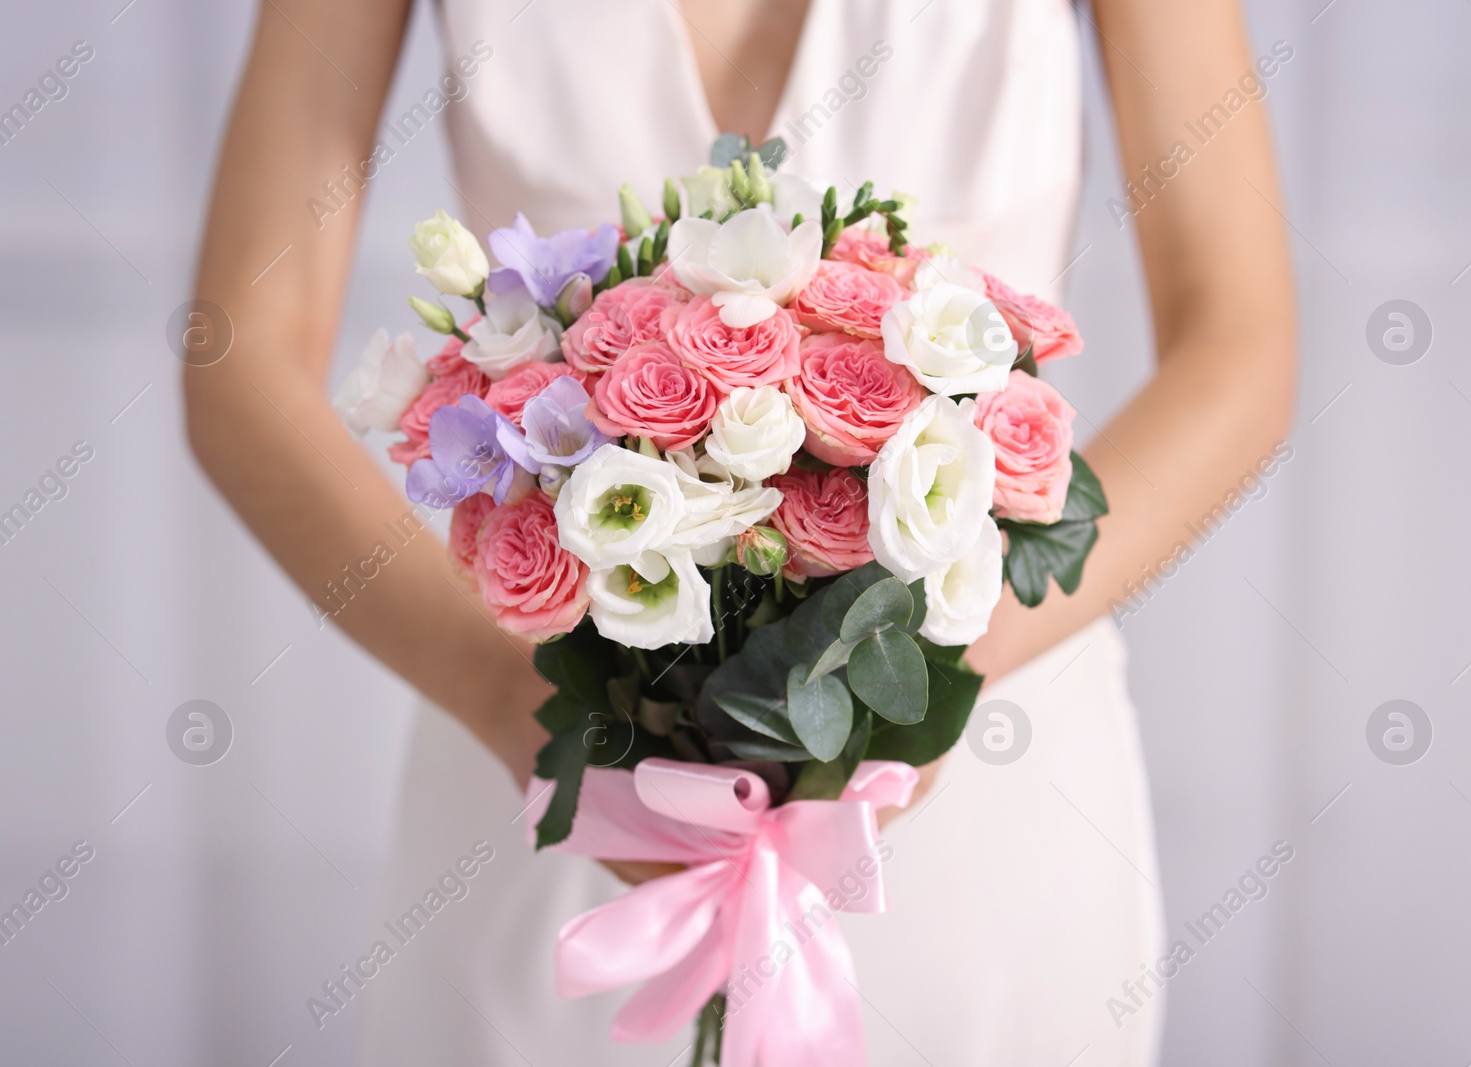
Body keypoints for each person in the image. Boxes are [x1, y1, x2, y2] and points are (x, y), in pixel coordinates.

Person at [185, 0, 1294, 1062]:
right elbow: (238, 353)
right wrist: (520, 711)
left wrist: (905, 685)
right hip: (554, 763)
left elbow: (1239, 345)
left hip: (983, 761)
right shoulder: (530, 721)